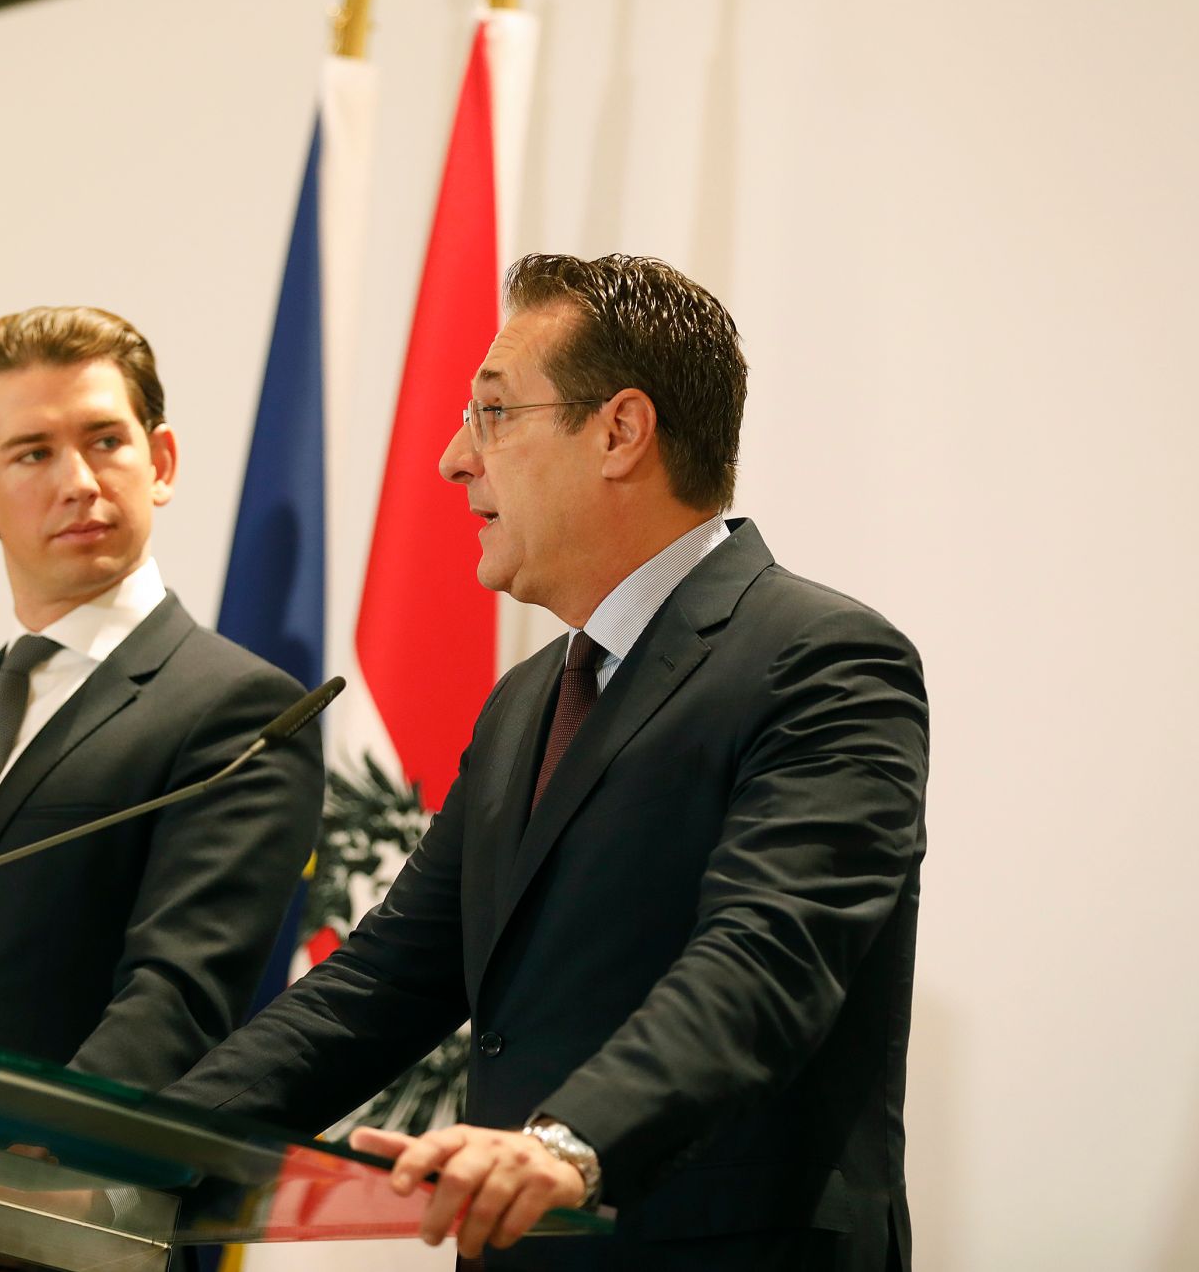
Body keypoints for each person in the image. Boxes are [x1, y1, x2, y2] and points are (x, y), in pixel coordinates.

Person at [168, 253, 929, 1272]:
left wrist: (567, 1141)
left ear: (618, 431)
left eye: (492, 414)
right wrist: (127, 1148)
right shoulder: (527, 699)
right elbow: (383, 981)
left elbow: (767, 955)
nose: (450, 458)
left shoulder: (820, 659)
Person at [0, 305, 324, 1095]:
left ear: (163, 461)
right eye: (34, 452)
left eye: (106, 441)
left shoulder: (239, 708)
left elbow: (174, 1003)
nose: (79, 482)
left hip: (52, 1203)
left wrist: (10, 1170)